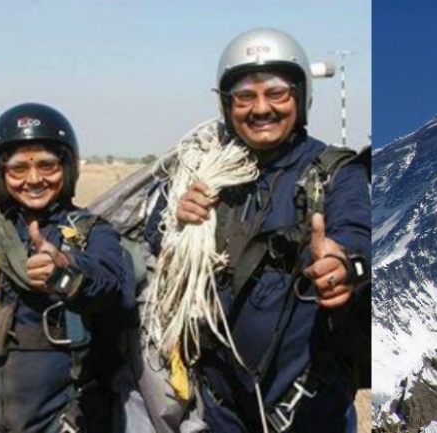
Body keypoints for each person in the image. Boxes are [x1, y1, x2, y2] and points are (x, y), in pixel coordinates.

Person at [144, 28, 371, 432]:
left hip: (308, 409)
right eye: (245, 96)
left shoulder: (335, 173)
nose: (261, 109)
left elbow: (357, 232)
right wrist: (177, 220)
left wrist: (345, 266)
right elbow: (154, 237)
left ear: (300, 98)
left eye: (277, 93)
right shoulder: (199, 173)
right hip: (219, 409)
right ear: (226, 105)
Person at [0, 102, 135, 432]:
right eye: (18, 169)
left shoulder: (91, 231)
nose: (34, 179)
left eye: (47, 165)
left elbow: (110, 284)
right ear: (1, 172)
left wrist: (64, 274)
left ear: (66, 168)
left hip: (61, 420)